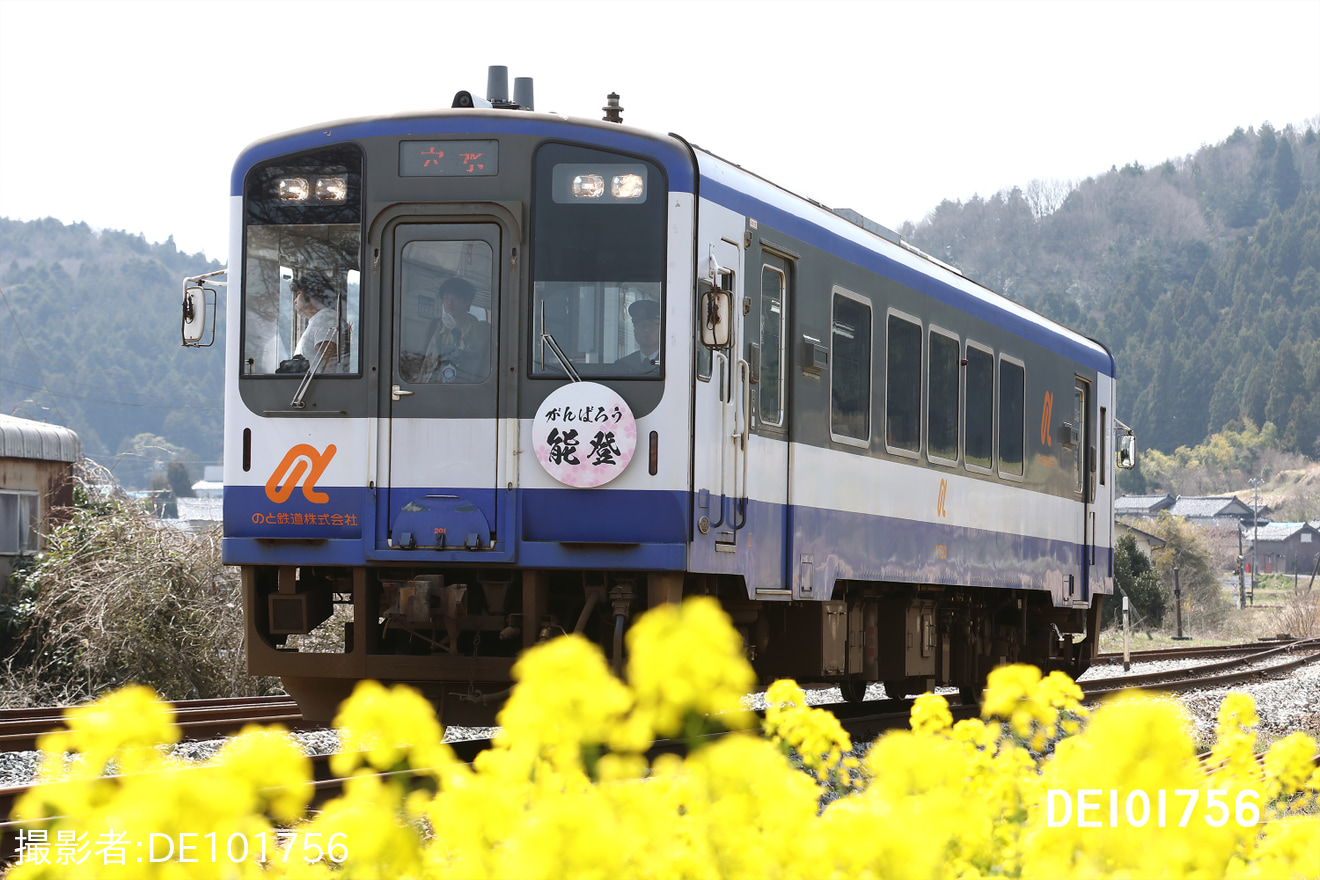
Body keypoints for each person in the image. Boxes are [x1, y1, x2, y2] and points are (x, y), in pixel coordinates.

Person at [422, 276, 489, 383]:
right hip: (435, 390)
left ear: (467, 302)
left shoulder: (482, 332)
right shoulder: (434, 327)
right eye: (446, 298)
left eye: (455, 298)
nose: (449, 303)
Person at [292, 273, 339, 370]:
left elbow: (329, 366)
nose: (295, 301)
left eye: (298, 294)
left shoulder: (325, 319)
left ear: (312, 294)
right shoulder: (318, 319)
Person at [615, 299, 661, 373]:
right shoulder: (622, 365)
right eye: (640, 324)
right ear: (634, 329)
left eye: (652, 324)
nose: (646, 330)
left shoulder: (670, 362)